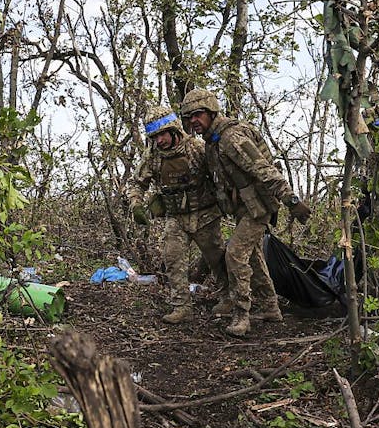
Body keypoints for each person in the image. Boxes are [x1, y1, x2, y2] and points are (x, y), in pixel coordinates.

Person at [180, 89, 311, 336]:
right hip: (244, 206)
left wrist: (291, 200)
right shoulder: (212, 142)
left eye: (197, 115)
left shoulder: (231, 137)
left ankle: (242, 314)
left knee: (235, 254)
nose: (193, 122)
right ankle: (272, 308)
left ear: (210, 111)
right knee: (253, 257)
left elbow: (264, 170)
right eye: (189, 118)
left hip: (258, 206)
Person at [126, 105, 228, 324]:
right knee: (173, 259)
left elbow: (220, 175)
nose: (160, 140)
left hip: (205, 214)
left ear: (173, 130)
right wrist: (136, 203)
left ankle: (227, 298)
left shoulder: (197, 149)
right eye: (155, 136)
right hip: (176, 217)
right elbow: (137, 182)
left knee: (217, 259)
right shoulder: (153, 156)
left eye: (162, 134)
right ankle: (181, 306)